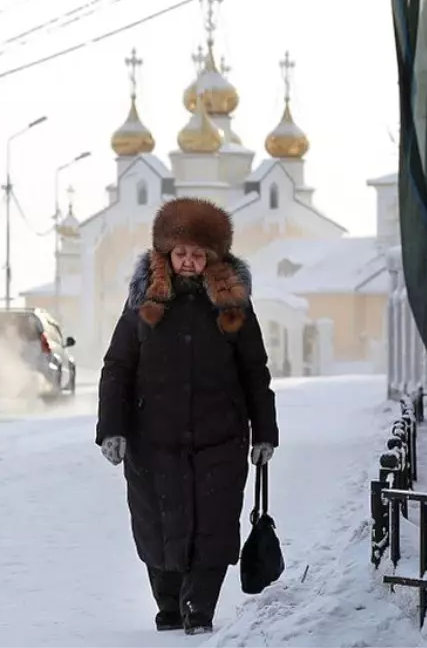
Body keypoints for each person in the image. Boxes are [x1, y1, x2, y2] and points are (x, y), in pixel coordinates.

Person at [95, 196, 278, 636]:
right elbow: (117, 366)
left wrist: (264, 432)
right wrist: (111, 430)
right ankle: (169, 605)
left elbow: (255, 370)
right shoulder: (144, 303)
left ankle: (199, 608)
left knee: (213, 526)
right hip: (152, 438)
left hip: (220, 436)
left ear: (214, 255)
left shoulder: (232, 304)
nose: (190, 262)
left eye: (198, 254)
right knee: (157, 524)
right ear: (166, 253)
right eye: (181, 253)